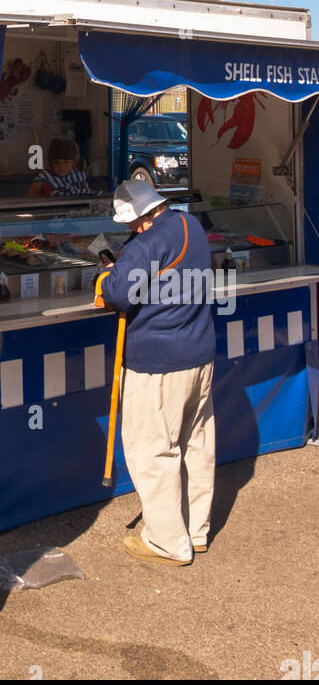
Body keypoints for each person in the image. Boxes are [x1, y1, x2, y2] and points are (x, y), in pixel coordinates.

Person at [94, 179, 216, 566]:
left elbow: (116, 294)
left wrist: (114, 268)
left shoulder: (146, 243)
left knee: (153, 450)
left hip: (158, 363)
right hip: (200, 352)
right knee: (196, 445)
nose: (129, 229)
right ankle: (196, 532)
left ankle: (167, 542)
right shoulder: (189, 224)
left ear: (140, 218)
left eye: (129, 223)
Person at [27, 136, 93, 198]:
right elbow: (30, 196)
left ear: (74, 162)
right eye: (56, 162)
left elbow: (86, 195)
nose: (61, 166)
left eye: (66, 162)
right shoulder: (45, 177)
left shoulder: (78, 174)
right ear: (51, 162)